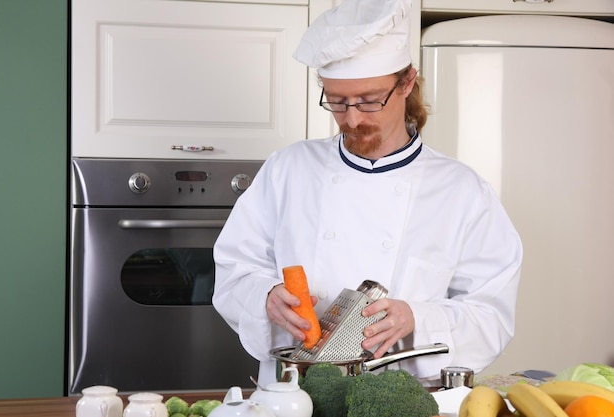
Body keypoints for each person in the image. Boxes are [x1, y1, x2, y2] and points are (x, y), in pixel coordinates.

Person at [213, 0, 522, 386]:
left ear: (406, 82)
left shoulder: (462, 192)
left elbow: (491, 314)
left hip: (402, 400)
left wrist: (417, 318)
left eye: (369, 100)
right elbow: (232, 271)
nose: (353, 119)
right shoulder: (287, 169)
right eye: (338, 102)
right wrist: (266, 296)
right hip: (292, 395)